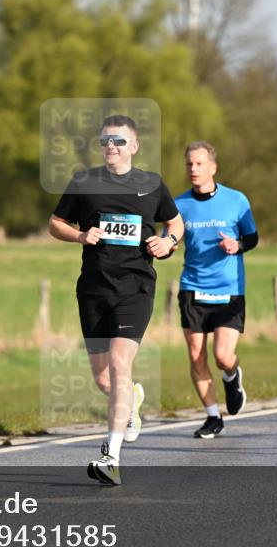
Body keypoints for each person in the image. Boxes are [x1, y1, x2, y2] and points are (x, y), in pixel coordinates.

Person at [49, 114, 183, 485]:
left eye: (119, 140)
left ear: (134, 146)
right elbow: (55, 224)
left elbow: (175, 222)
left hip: (135, 288)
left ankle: (111, 456)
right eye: (106, 140)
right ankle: (132, 400)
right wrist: (80, 236)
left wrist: (169, 242)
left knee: (120, 365)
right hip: (93, 289)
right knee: (103, 378)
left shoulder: (151, 184)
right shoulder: (84, 182)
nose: (111, 146)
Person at [175, 141, 258, 439]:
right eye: (189, 164)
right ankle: (213, 416)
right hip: (192, 287)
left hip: (229, 289)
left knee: (222, 355)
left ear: (213, 167)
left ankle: (231, 376)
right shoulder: (179, 205)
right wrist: (164, 245)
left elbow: (252, 237)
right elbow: (170, 237)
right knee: (196, 355)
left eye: (199, 164)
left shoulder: (236, 200)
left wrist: (237, 245)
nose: (193, 169)